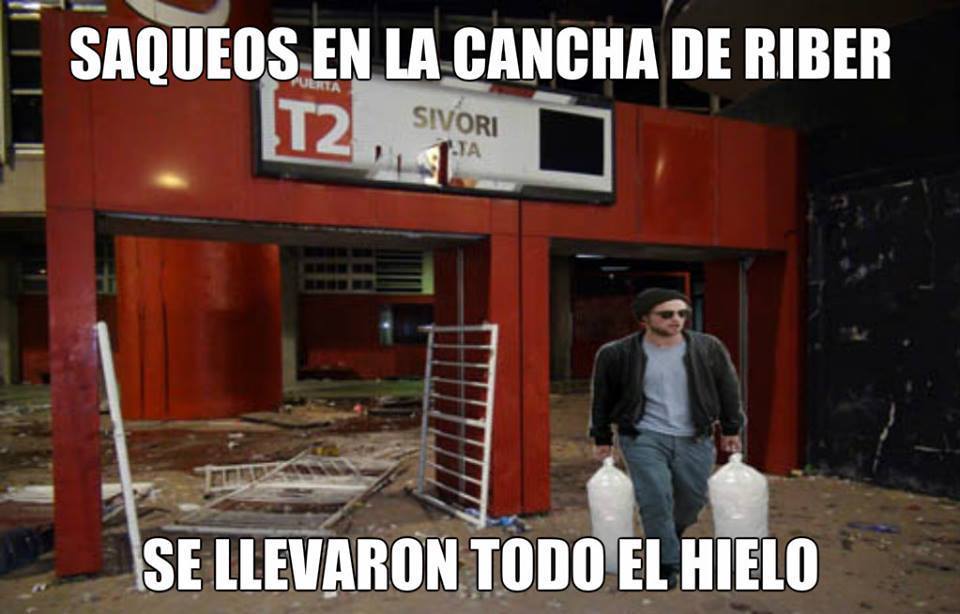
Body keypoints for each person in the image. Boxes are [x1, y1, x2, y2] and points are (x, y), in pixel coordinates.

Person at [589, 287, 743, 588]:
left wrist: (731, 427)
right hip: (643, 436)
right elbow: (603, 398)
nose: (677, 319)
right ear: (644, 318)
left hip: (695, 437)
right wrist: (602, 437)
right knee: (655, 497)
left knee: (692, 500)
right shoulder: (617, 354)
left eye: (682, 313)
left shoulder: (707, 348)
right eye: (666, 314)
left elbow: (728, 388)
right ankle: (666, 563)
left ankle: (670, 534)